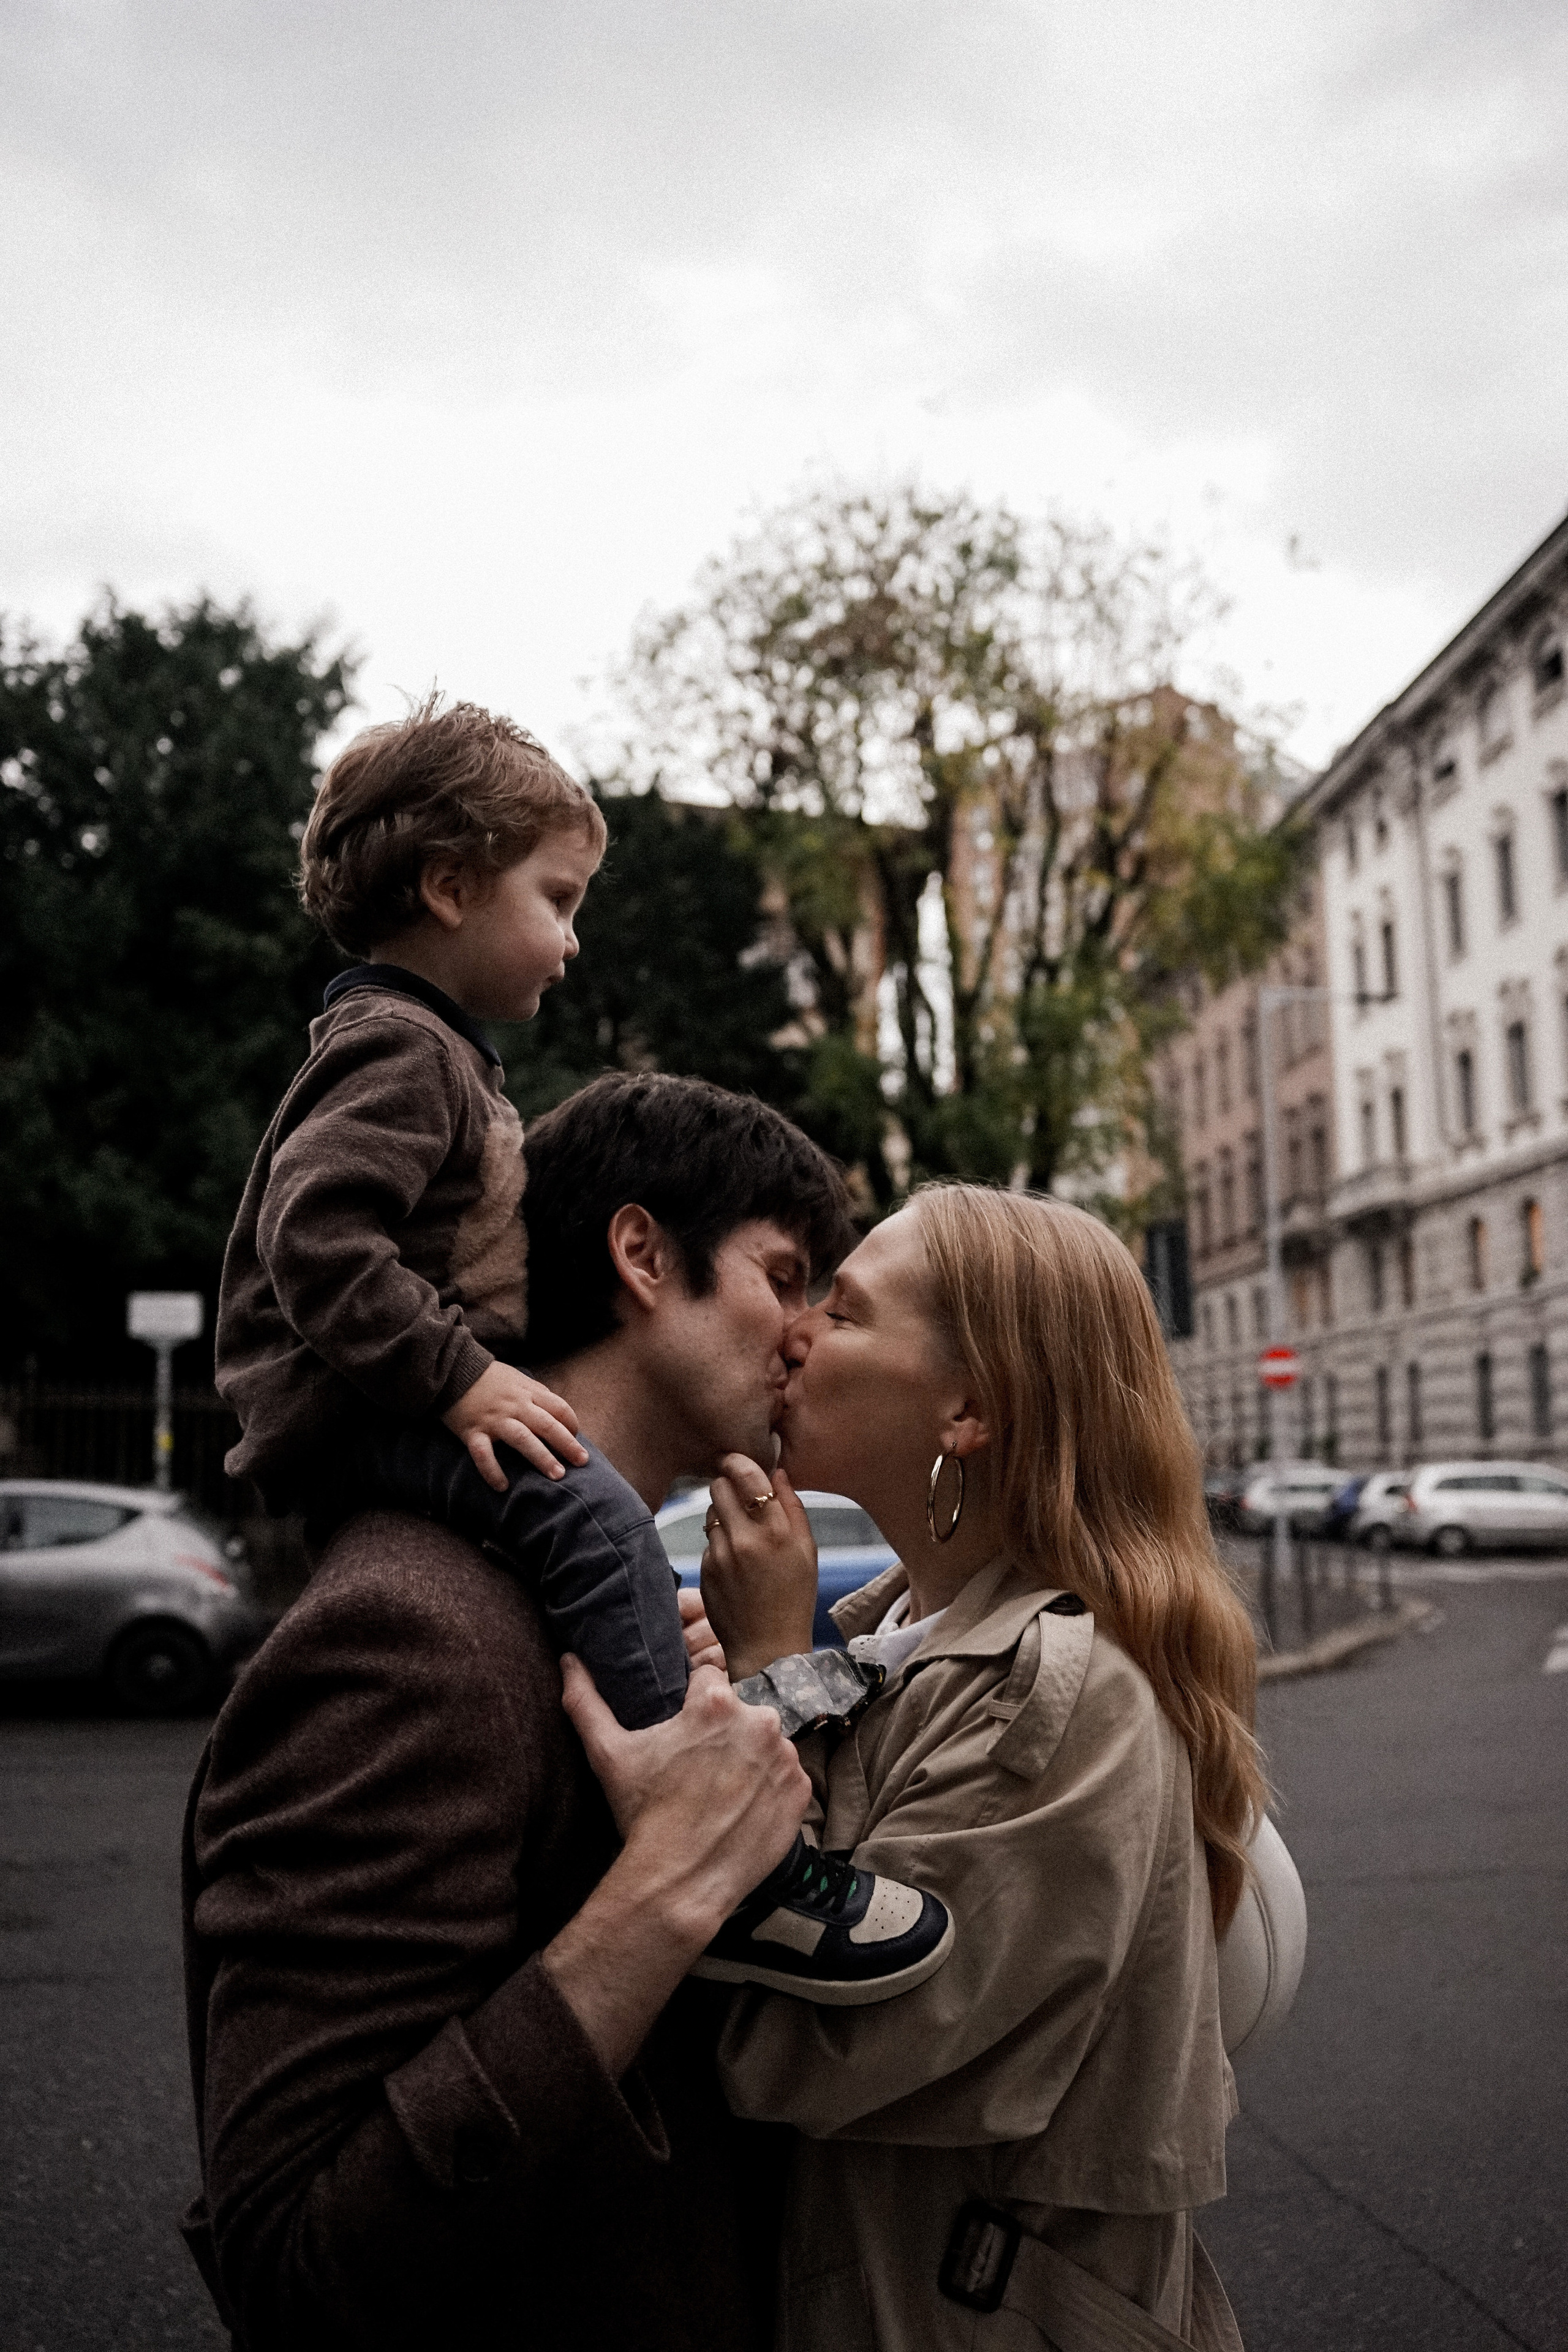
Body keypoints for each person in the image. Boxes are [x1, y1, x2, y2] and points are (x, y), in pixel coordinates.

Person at [181, 1074, 941, 2349]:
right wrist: (665, 1893)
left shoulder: (597, 1608)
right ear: (642, 1256)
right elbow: (295, 2266)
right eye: (783, 1272)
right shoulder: (413, 1629)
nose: (806, 1333)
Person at [214, 701, 950, 1996]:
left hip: (372, 1404)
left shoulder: (438, 1057)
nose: (802, 1333)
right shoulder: (398, 1048)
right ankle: (735, 1863)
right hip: (351, 1408)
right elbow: (314, 1239)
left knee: (604, 1553)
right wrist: (457, 1372)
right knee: (596, 1522)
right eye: (786, 1280)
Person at [574, 1181, 1264, 2350]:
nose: (793, 1332)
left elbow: (799, 2051)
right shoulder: (898, 1642)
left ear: (969, 1410)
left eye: (843, 1313)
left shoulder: (1065, 1693)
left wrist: (771, 1673)